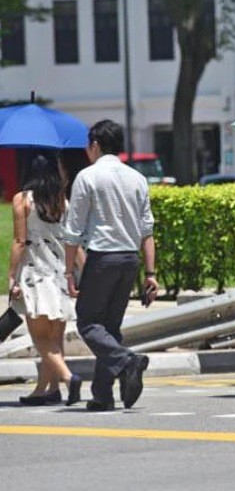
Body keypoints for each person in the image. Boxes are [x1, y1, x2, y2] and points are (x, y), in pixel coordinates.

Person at [64, 120, 158, 412]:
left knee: (88, 321)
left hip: (103, 257)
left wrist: (69, 272)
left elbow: (73, 231)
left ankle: (128, 361)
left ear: (95, 145)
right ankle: (103, 394)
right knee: (110, 327)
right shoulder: (137, 178)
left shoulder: (87, 176)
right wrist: (151, 273)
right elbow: (147, 231)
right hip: (129, 259)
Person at [7, 152, 83, 406]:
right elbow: (73, 241)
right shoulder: (63, 201)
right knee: (54, 339)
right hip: (60, 275)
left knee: (40, 340)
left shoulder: (22, 200)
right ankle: (47, 390)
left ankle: (69, 378)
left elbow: (19, 241)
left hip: (34, 276)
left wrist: (11, 277)